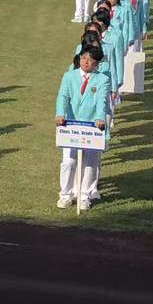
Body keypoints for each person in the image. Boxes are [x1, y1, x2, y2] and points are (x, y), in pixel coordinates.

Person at [55, 46, 111, 211]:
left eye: (90, 59)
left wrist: (100, 118)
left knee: (90, 162)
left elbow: (101, 100)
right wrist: (60, 113)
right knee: (69, 161)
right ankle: (65, 194)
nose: (86, 62)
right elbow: (63, 96)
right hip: (71, 126)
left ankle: (84, 195)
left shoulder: (102, 79)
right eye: (83, 58)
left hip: (92, 126)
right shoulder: (69, 76)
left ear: (97, 63)